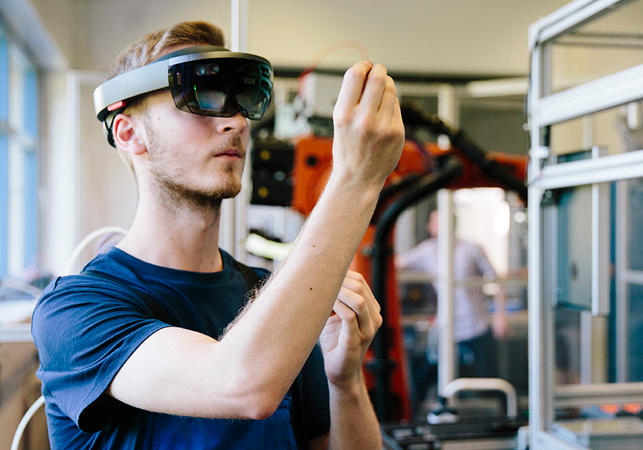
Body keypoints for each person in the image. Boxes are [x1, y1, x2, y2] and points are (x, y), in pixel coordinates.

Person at [31, 21, 404, 449]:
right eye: (201, 97)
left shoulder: (271, 298)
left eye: (241, 100)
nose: (237, 122)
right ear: (129, 133)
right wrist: (354, 180)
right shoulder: (73, 312)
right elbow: (241, 383)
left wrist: (345, 382)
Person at [395, 209, 507, 380]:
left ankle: (504, 406)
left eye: (434, 221)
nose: (429, 225)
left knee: (489, 376)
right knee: (428, 374)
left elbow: (498, 282)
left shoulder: (472, 248)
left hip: (475, 324)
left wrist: (500, 316)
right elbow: (398, 262)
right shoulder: (428, 249)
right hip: (447, 324)